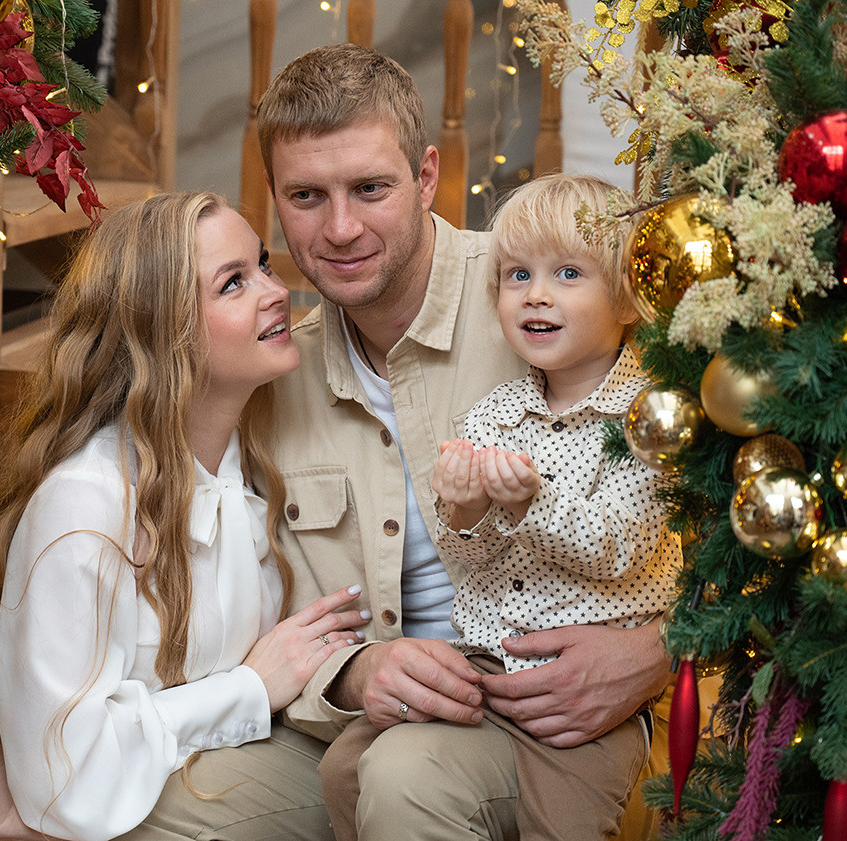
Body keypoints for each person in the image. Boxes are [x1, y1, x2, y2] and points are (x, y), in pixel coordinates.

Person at [250, 43, 676, 841]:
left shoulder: (544, 295)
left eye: (370, 188)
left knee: (404, 779)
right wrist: (354, 674)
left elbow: (711, 506)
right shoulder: (270, 374)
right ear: (276, 199)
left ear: (425, 177)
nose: (340, 228)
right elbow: (243, 599)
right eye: (307, 195)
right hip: (357, 727)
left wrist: (659, 649)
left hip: (554, 723)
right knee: (166, 802)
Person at [0, 191, 367, 841]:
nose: (275, 289)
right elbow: (68, 772)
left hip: (190, 791)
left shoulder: (249, 463)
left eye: (262, 264)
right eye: (234, 282)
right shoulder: (84, 508)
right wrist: (248, 689)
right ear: (165, 329)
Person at [317, 173, 683, 840]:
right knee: (345, 765)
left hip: (585, 704)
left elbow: (619, 544)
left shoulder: (648, 415)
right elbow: (469, 558)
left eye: (568, 272)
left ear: (629, 298)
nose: (536, 294)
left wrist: (526, 504)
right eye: (517, 275)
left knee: (565, 825)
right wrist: (462, 510)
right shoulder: (496, 415)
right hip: (486, 664)